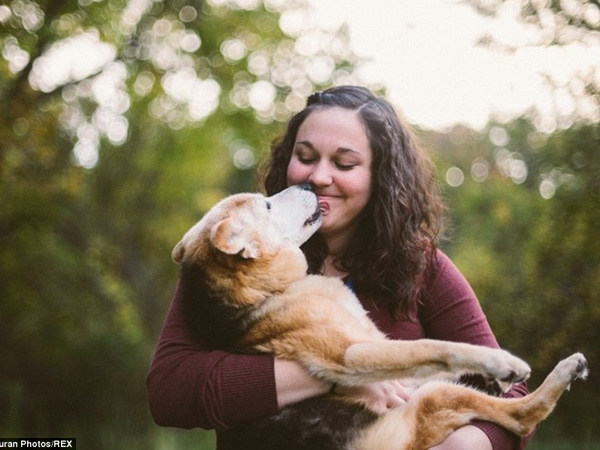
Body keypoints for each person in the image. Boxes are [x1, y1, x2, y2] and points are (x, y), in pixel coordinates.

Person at [147, 86, 535, 449]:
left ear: (380, 176)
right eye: (306, 157)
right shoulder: (237, 261)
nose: (318, 177)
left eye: (344, 163)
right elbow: (170, 391)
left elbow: (511, 389)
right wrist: (337, 374)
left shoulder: (422, 267)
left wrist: (467, 444)